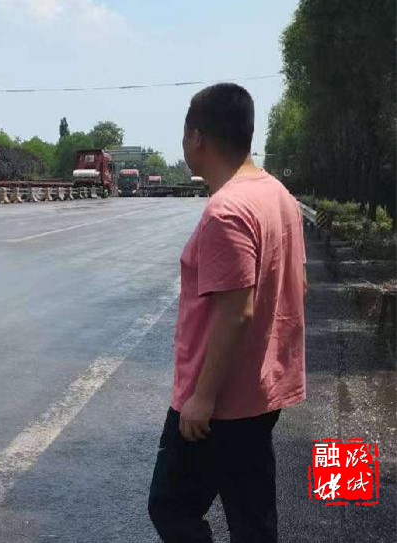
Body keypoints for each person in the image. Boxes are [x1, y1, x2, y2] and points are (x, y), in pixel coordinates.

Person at [147, 83, 307, 543]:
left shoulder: (227, 211)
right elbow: (299, 285)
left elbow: (236, 312)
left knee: (171, 508)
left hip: (221, 402)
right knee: (251, 516)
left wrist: (202, 398)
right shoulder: (278, 195)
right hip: (263, 389)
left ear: (196, 137)